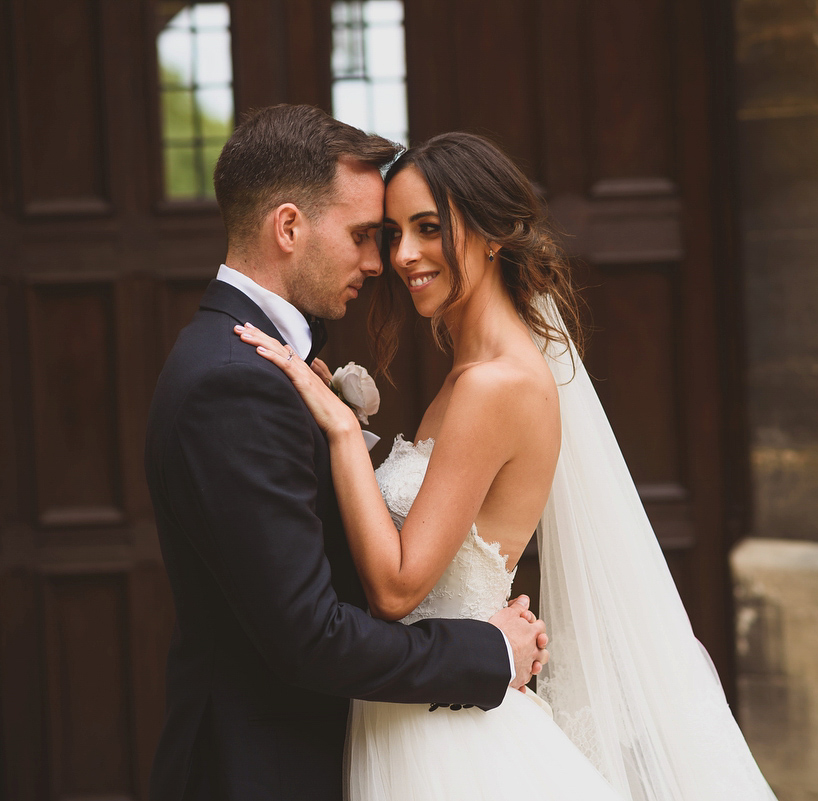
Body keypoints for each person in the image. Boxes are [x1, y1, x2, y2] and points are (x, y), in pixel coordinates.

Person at [239, 131, 778, 799]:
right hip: (415, 711)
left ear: (491, 233)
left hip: (449, 739)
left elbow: (398, 588)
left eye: (429, 228)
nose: (404, 255)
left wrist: (347, 436)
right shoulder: (471, 374)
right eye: (391, 232)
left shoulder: (494, 385)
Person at [144, 106, 548, 801]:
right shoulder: (232, 382)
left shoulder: (248, 362)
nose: (382, 261)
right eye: (367, 235)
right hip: (263, 767)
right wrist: (487, 651)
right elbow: (311, 634)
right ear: (290, 227)